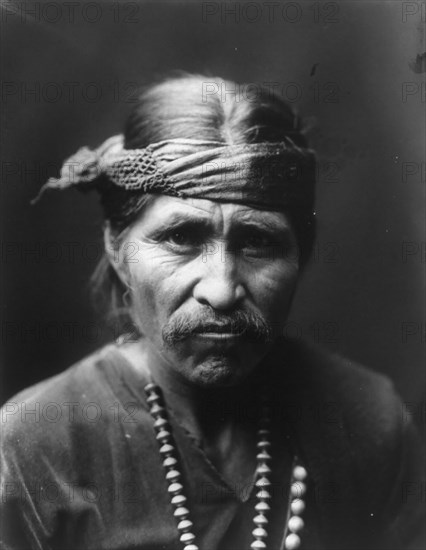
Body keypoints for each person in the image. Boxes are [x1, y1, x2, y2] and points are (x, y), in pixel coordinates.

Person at [1, 75, 424, 550]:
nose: (222, 290)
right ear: (117, 249)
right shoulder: (32, 446)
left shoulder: (369, 418)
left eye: (259, 242)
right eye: (181, 237)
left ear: (302, 254)